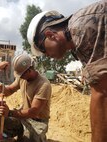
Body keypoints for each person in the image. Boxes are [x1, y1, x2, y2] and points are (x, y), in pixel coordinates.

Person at [27, 1, 107, 142]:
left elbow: (101, 93)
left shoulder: (81, 28)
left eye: (43, 49)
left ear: (50, 35)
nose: (46, 55)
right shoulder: (77, 41)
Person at [0, 53, 52, 142]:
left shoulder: (43, 85)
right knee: (0, 123)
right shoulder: (22, 78)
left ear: (29, 70)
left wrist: (9, 112)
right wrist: (2, 88)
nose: (20, 77)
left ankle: (37, 137)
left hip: (37, 122)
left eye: (21, 74)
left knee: (28, 139)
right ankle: (20, 133)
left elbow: (33, 112)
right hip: (23, 117)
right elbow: (9, 90)